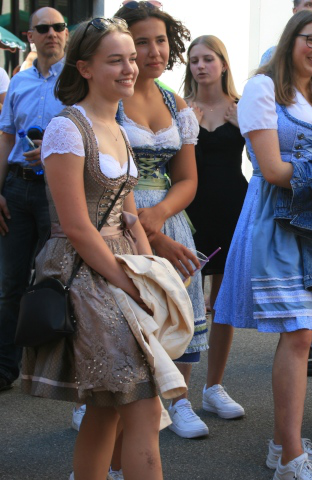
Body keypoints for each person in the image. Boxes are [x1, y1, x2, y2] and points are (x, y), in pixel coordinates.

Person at [21, 17, 164, 479]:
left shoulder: (117, 127)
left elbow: (129, 213)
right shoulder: (67, 128)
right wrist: (129, 283)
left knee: (107, 408)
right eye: (115, 60)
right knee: (142, 406)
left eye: (131, 59)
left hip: (121, 264)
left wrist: (150, 270)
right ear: (84, 68)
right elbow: (77, 228)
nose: (130, 68)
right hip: (86, 271)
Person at [215, 10, 312, 480]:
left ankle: (282, 445)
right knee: (297, 334)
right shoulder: (262, 89)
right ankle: (291, 458)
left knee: (303, 334)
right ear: (291, 39)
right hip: (277, 218)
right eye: (311, 39)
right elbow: (272, 170)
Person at [113, 0, 209, 439]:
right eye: (141, 42)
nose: (154, 51)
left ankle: (180, 400)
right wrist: (142, 224)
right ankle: (100, 401)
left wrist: (159, 215)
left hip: (168, 215)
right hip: (117, 216)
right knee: (124, 313)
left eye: (161, 40)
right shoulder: (111, 98)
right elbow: (108, 175)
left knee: (180, 309)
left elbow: (188, 178)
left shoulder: (175, 101)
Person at [0, 7, 67, 393]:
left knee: (52, 278)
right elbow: (7, 137)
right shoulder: (19, 81)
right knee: (10, 282)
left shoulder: (76, 81)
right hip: (18, 188)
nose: (51, 33)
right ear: (30, 36)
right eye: (43, 28)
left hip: (57, 191)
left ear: (65, 34)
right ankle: (4, 366)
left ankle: (48, 367)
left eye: (58, 27)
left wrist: (54, 151)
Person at [183, 35, 247, 419]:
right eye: (194, 60)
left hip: (232, 207)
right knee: (185, 302)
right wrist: (185, 127)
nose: (201, 66)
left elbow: (262, 159)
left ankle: (213, 387)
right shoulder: (181, 107)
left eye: (208, 59)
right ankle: (178, 396)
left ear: (223, 64)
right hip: (190, 211)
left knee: (222, 305)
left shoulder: (240, 107)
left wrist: (245, 126)